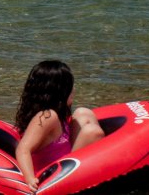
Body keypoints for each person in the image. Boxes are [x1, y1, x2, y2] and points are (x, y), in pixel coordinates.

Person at [14, 60, 105, 191]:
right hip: (55, 175)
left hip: (64, 160)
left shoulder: (55, 113)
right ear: (59, 91)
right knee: (93, 132)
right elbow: (23, 150)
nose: (74, 89)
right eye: (70, 85)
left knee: (83, 113)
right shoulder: (48, 116)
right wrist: (30, 179)